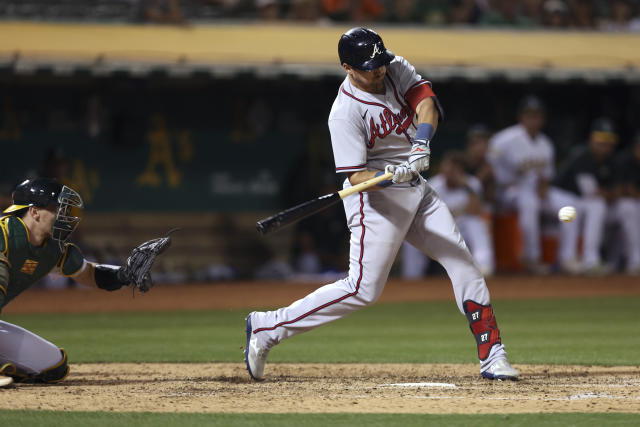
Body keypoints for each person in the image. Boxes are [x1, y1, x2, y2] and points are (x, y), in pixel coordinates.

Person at [244, 27, 519, 382]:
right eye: (369, 66)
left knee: (461, 260)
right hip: (376, 201)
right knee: (363, 290)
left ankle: (493, 354)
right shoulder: (344, 113)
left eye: (380, 62)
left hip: (418, 190)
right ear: (347, 67)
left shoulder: (394, 67)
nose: (378, 71)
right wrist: (391, 175)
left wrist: (420, 144)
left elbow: (425, 103)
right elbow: (356, 176)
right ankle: (268, 327)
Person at [0, 178, 167, 388]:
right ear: (34, 211)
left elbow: (88, 274)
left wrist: (125, 275)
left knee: (53, 366)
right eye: (57, 209)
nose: (64, 216)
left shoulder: (52, 250)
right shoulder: (5, 233)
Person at [488, 95, 580, 274]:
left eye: (537, 115)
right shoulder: (505, 139)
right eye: (529, 115)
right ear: (521, 117)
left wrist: (543, 190)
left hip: (535, 190)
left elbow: (546, 177)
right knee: (528, 201)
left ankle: (567, 258)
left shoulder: (546, 144)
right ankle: (531, 257)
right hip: (508, 191)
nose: (533, 119)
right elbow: (490, 166)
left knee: (570, 205)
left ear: (542, 119)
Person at [402, 151, 495, 278]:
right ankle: (412, 277)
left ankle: (484, 268)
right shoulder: (433, 185)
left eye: (454, 168)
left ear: (461, 171)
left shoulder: (471, 184)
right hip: (437, 229)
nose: (450, 171)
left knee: (476, 224)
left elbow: (475, 211)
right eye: (448, 167)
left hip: (462, 229)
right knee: (412, 234)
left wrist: (465, 187)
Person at [553, 118, 619, 274]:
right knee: (572, 210)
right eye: (601, 140)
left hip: (581, 199)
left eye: (608, 141)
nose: (605, 146)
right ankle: (567, 257)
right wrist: (612, 193)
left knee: (597, 206)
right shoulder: (581, 155)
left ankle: (591, 260)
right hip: (559, 194)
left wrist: (612, 193)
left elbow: (614, 191)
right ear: (592, 139)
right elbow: (592, 192)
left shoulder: (611, 160)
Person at [611, 133, 640, 274]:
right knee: (628, 207)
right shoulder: (626, 161)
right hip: (613, 208)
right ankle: (635, 260)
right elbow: (621, 192)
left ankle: (628, 261)